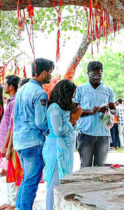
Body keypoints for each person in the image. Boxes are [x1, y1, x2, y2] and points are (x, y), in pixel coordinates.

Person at [13, 58, 54, 209]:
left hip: (19, 141)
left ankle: (20, 207)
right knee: (31, 181)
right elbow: (40, 122)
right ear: (44, 73)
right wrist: (50, 131)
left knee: (27, 179)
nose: (50, 76)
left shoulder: (22, 89)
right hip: (33, 141)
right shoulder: (40, 93)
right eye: (50, 72)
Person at [42, 79, 82, 210]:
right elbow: (58, 131)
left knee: (62, 182)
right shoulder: (54, 108)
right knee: (53, 184)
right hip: (55, 149)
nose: (72, 97)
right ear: (65, 93)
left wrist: (73, 120)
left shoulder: (62, 108)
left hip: (64, 149)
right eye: (71, 94)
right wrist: (72, 121)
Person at [73, 61, 116, 168]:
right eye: (94, 75)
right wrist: (89, 111)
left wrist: (107, 110)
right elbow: (73, 112)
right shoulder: (80, 89)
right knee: (85, 167)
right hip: (85, 134)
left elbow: (114, 111)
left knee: (100, 168)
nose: (97, 77)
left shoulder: (108, 91)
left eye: (99, 75)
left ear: (102, 73)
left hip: (103, 135)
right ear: (87, 73)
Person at [0, 75, 20, 210]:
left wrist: (8, 147)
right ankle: (10, 200)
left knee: (13, 172)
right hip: (5, 143)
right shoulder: (10, 101)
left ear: (11, 87)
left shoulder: (15, 102)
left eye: (5, 84)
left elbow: (11, 127)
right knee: (8, 172)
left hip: (10, 145)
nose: (4, 86)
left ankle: (14, 202)